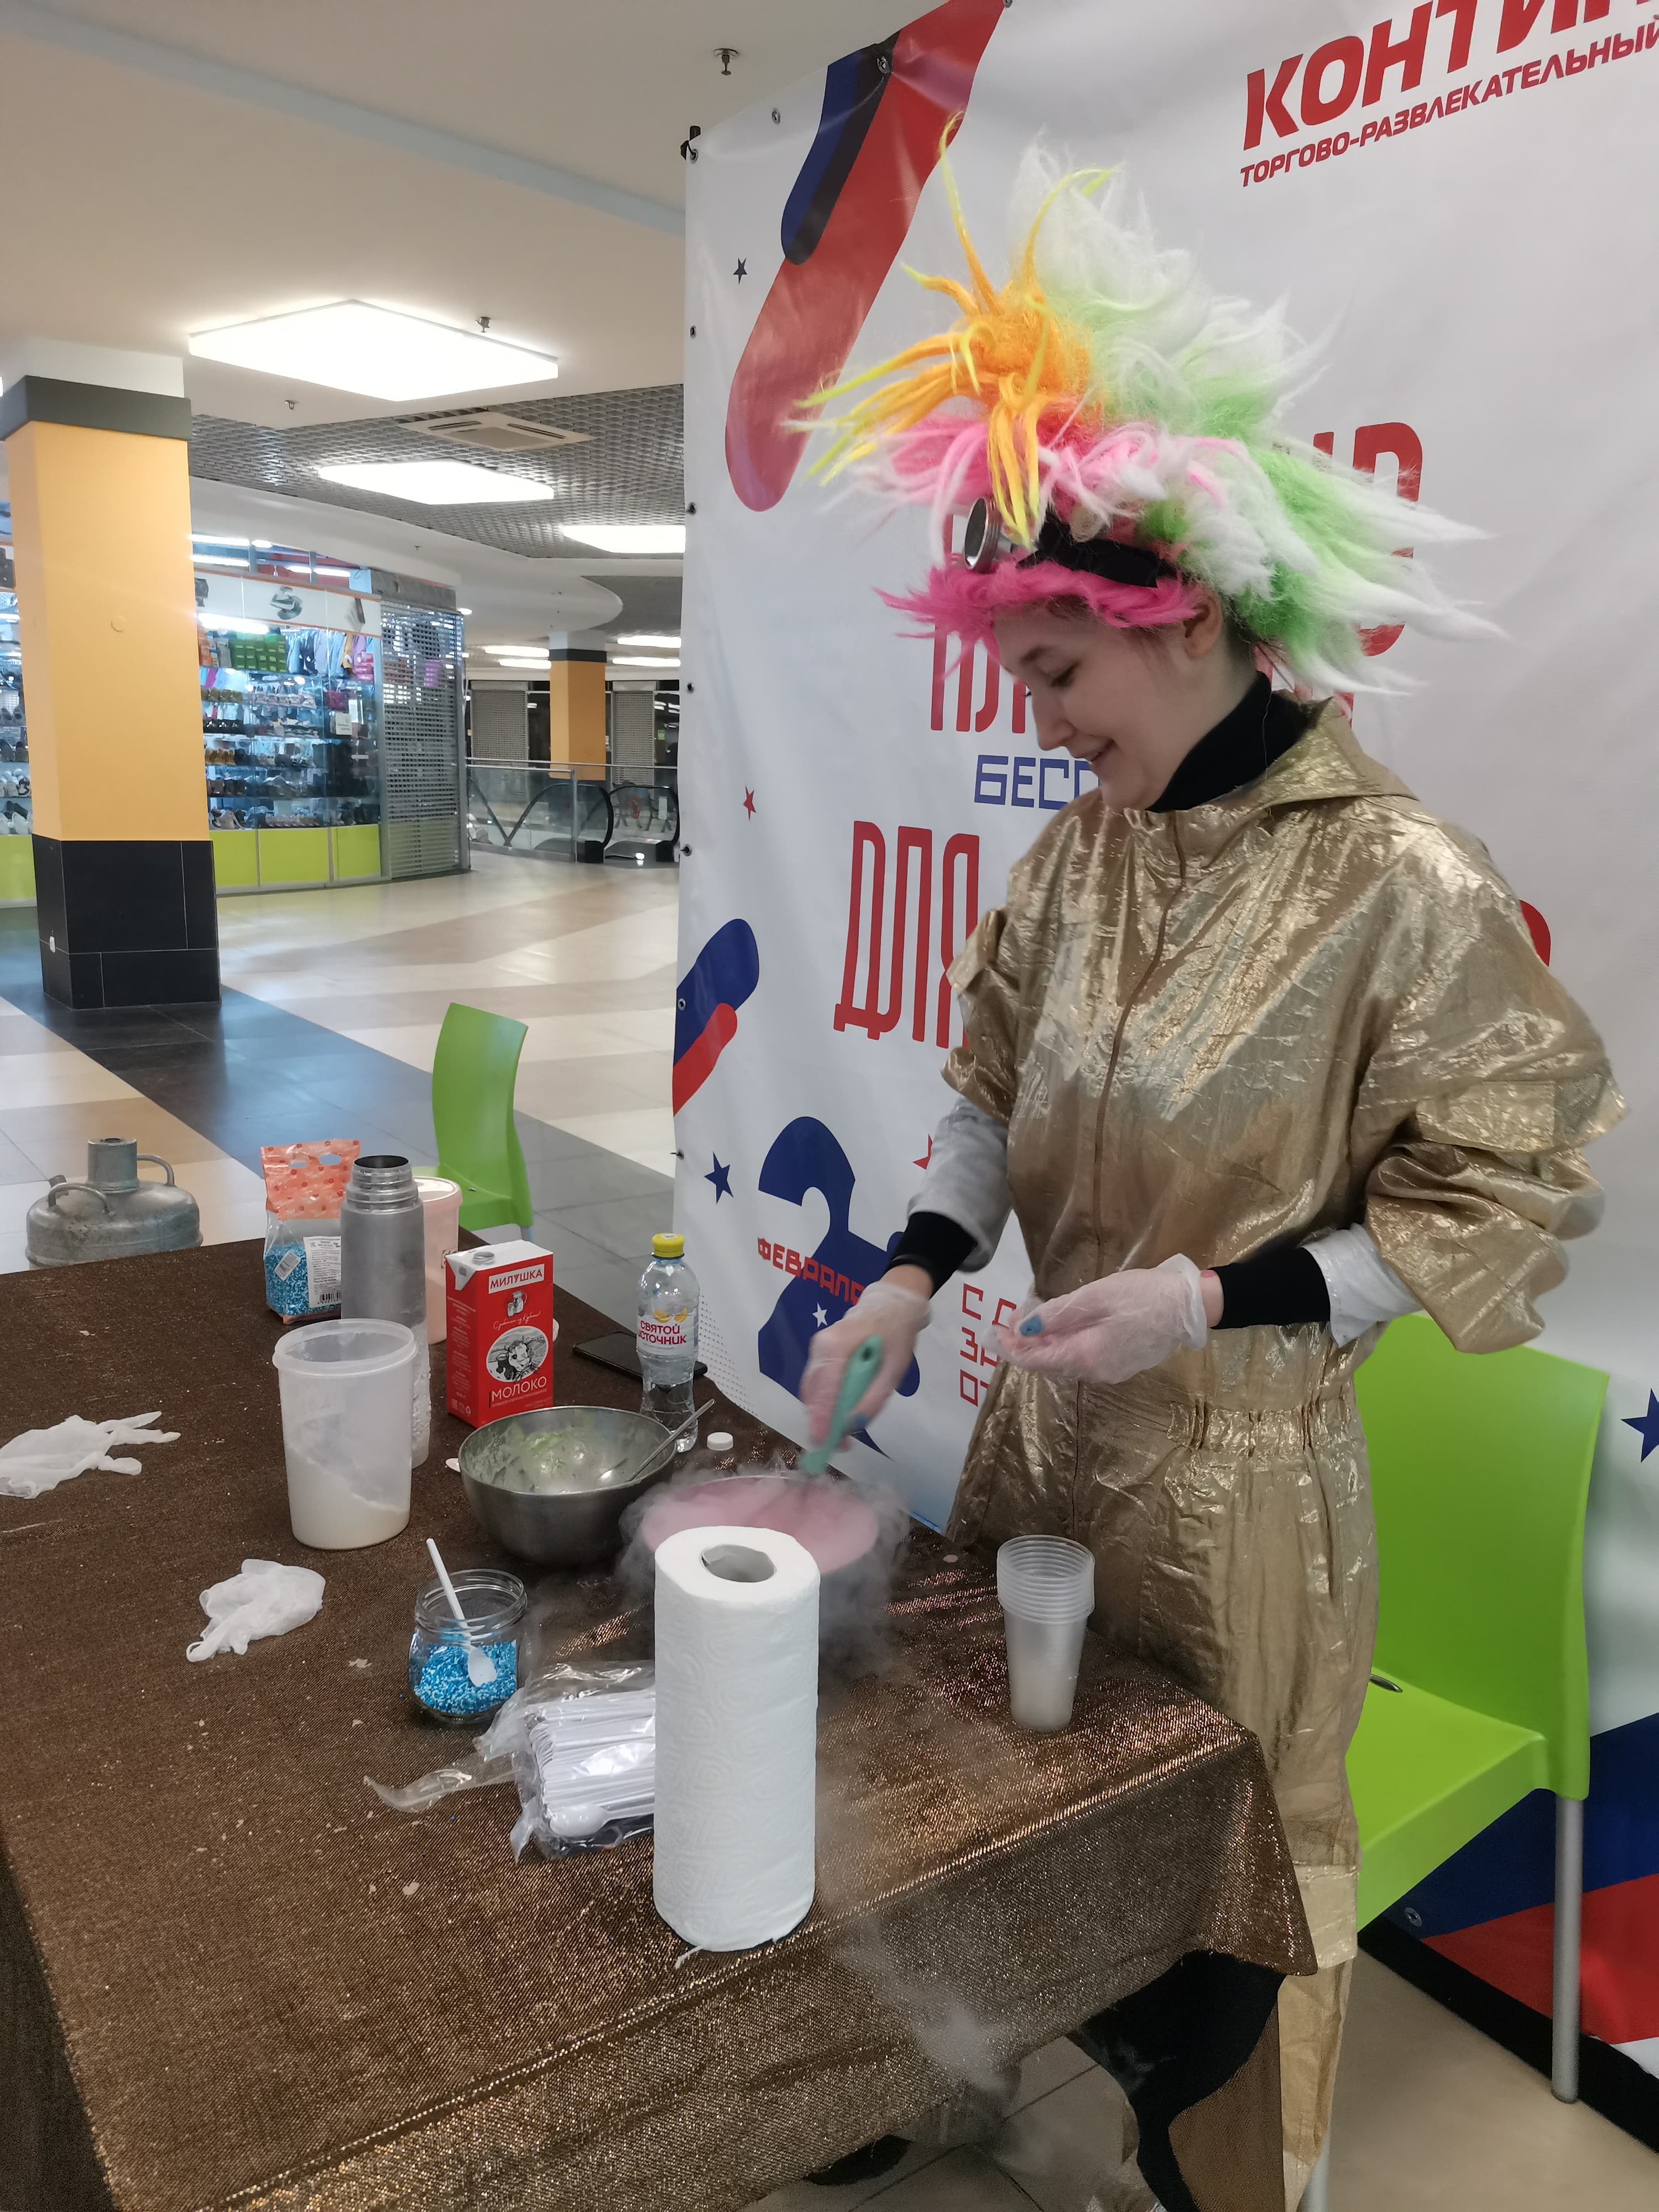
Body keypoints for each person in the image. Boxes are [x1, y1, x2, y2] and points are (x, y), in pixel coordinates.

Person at [800, 150, 1620, 2210]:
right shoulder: (1083, 854)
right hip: (1044, 1450)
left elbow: (1504, 1190)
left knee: (1219, 1916)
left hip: (1241, 1509)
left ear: (1181, 618)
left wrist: (1218, 1302)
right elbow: (992, 1082)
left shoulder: (1399, 883)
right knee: (1001, 1809)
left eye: (1058, 674)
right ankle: (959, 2067)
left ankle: (1220, 2177)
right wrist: (911, 1269)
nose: (1039, 718)